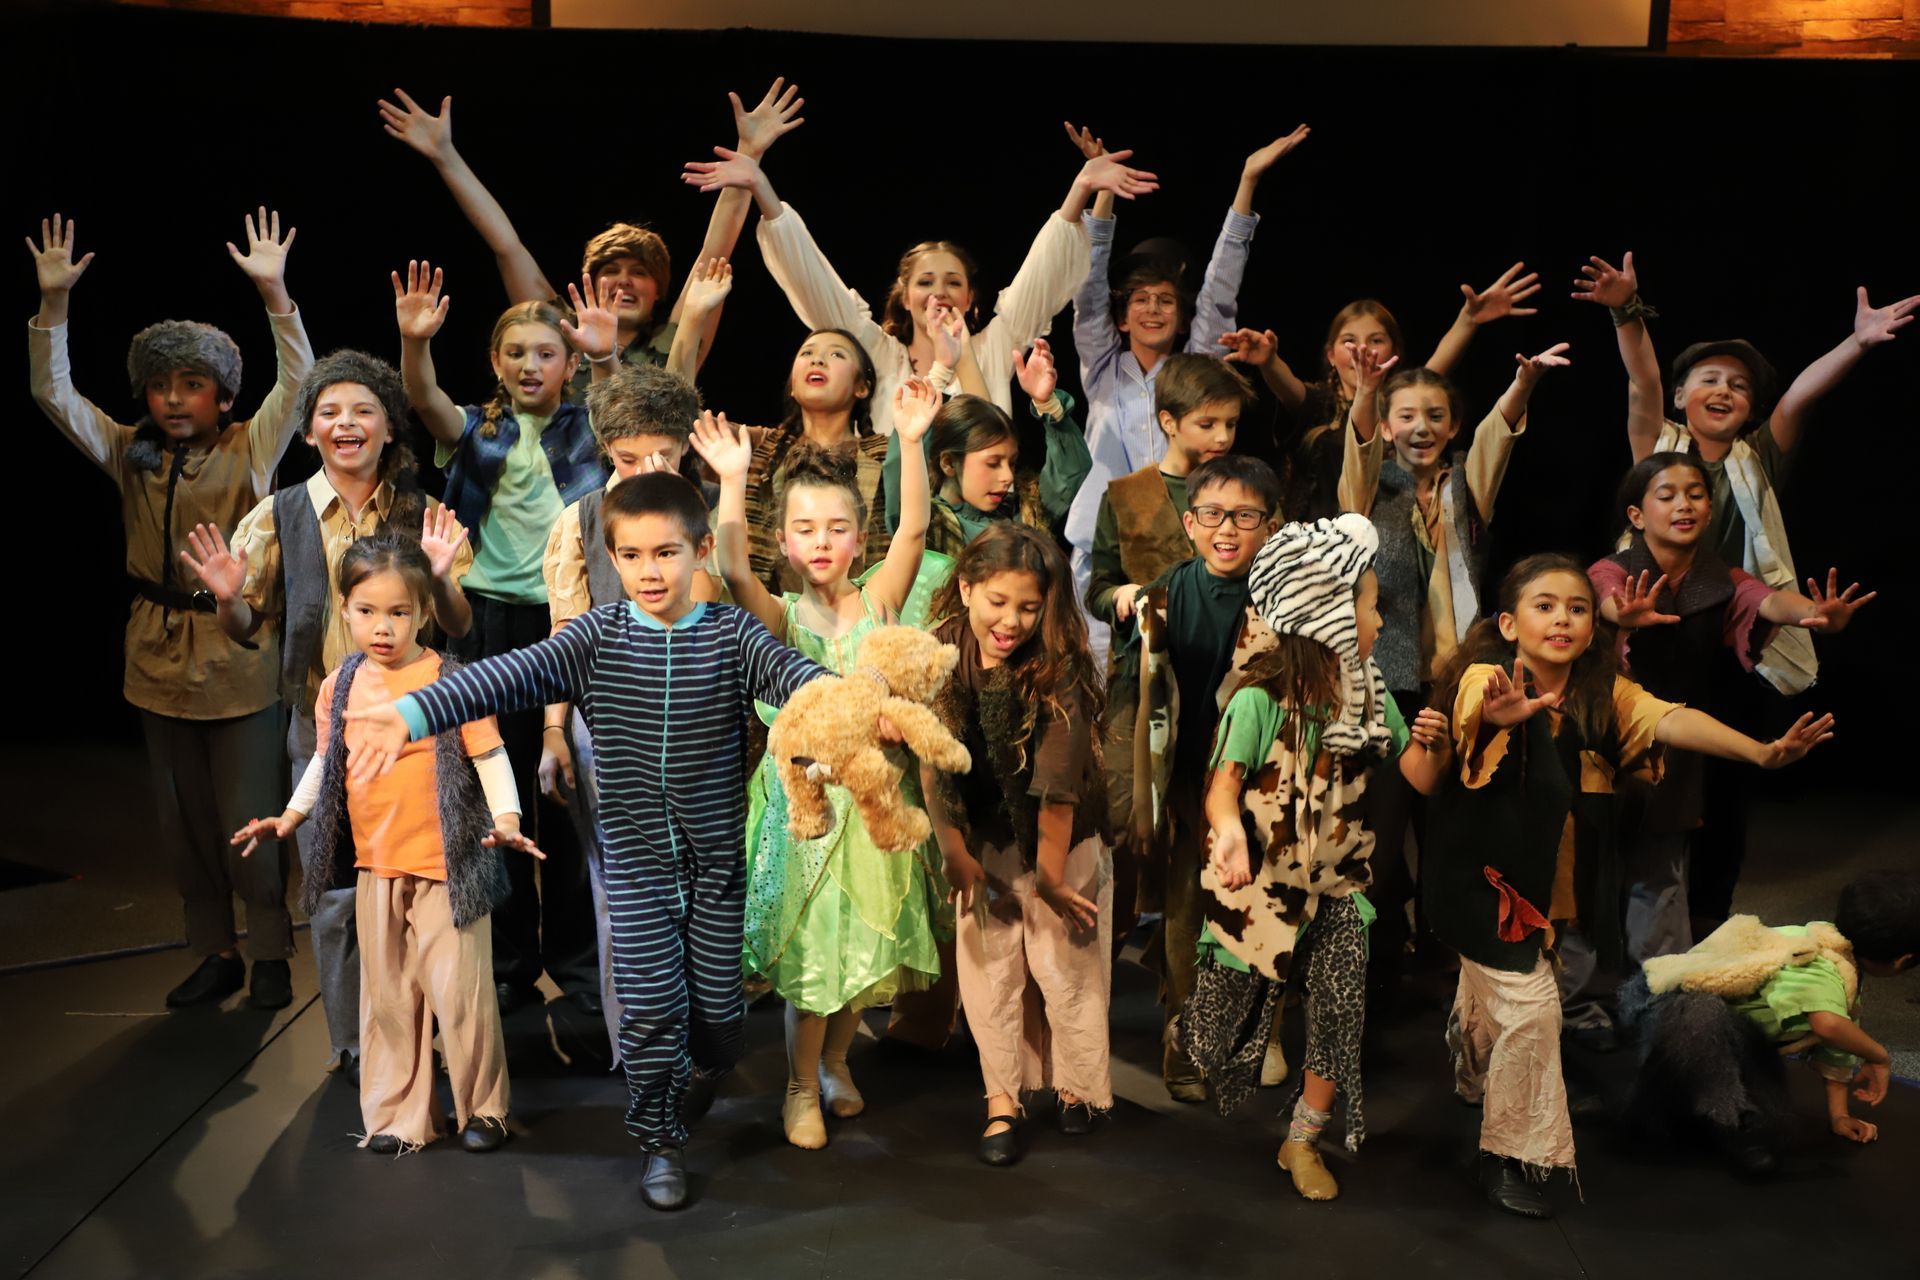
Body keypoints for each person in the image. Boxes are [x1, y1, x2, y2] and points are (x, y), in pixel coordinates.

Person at [342, 471, 865, 1211]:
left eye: (666, 553)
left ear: (701, 550)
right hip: (638, 871)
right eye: (632, 555)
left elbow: (801, 682)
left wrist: (858, 711)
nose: (650, 571)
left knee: (719, 1023)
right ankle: (660, 1143)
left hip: (716, 870)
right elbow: (500, 678)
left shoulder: (731, 633)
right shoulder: (596, 636)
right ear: (611, 559)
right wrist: (412, 713)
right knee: (652, 1010)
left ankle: (704, 1080)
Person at [1417, 554, 1834, 1219]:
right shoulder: (1484, 677)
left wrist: (1760, 751)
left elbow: (1668, 718)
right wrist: (1499, 718)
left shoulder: (1599, 689)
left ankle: (1474, 1068)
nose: (1563, 618)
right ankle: (1511, 1154)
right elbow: (1472, 713)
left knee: (1496, 1003)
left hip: (1545, 894)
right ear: (1508, 621)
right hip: (1480, 890)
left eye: (1578, 608)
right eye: (1545, 605)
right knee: (1533, 1014)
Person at [27, 209, 311, 1011]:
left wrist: (275, 293)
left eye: (193, 384)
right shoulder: (130, 451)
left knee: (247, 813)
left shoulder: (249, 448)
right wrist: (54, 306)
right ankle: (214, 951)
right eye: (161, 384)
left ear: (223, 396)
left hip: (235, 650)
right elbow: (51, 391)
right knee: (181, 820)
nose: (175, 398)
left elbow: (299, 382)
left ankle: (270, 955)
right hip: (154, 652)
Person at [181, 349, 474, 1080]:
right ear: (309, 431)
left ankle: (422, 1035)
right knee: (337, 897)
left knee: (423, 892)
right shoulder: (280, 513)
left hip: (418, 727)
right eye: (330, 413)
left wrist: (440, 581)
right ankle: (353, 1043)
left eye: (363, 410)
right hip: (323, 731)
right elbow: (246, 626)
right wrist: (226, 597)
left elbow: (461, 625)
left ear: (388, 428)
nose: (346, 424)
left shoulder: (421, 510)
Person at [692, 378, 942, 1149]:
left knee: (865, 945)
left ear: (857, 542)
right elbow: (733, 568)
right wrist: (733, 482)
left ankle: (837, 1062)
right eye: (806, 528)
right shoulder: (781, 616)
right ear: (789, 542)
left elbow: (914, 530)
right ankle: (799, 1086)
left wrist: (909, 439)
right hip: (805, 812)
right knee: (814, 951)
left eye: (838, 528)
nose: (823, 540)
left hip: (869, 809)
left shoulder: (880, 601)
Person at [232, 535, 538, 1153]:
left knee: (461, 996)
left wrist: (506, 817)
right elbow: (326, 759)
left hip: (447, 868)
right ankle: (400, 1117)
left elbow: (491, 754)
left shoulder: (452, 681)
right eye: (367, 611)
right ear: (344, 609)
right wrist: (292, 817)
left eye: (399, 612)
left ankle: (484, 1110)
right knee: (391, 1000)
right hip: (379, 865)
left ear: (423, 613)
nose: (382, 627)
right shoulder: (339, 686)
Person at [1185, 515, 1451, 1201]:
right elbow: (1222, 792)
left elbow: (1419, 777)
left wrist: (1434, 743)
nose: (1379, 625)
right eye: (1368, 607)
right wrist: (1231, 832)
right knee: (1213, 1040)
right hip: (1260, 892)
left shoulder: (1370, 696)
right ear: (1326, 615)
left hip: (1338, 886)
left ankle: (1302, 1141)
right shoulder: (1257, 701)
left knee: (1338, 1010)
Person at [395, 261, 609, 1016]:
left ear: (570, 362)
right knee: (499, 795)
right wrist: (414, 341)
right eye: (515, 352)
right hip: (486, 626)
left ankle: (581, 969)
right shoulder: (477, 433)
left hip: (569, 626)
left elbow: (638, 402)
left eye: (546, 353)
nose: (529, 364)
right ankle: (513, 961)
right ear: (495, 362)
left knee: (569, 793)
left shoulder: (593, 428)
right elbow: (421, 397)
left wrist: (607, 354)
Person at [1060, 121, 1308, 666]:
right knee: (1104, 681)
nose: (1153, 308)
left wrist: (1246, 183)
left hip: (1183, 539)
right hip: (1104, 545)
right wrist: (1103, 190)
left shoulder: (1194, 373)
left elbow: (1221, 288)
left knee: (1186, 681)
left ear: (1180, 316)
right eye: (1142, 300)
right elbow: (1089, 288)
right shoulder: (1103, 367)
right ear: (1122, 317)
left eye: (1166, 301)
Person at [377, 78, 806, 384]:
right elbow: (507, 246)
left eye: (638, 272)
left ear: (660, 290)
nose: (623, 280)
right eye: (611, 269)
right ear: (587, 282)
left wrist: (750, 156)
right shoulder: (559, 334)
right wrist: (445, 156)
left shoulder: (678, 341)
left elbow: (717, 251)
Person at [921, 524, 1112, 1166]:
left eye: (1029, 607)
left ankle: (1078, 1089)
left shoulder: (1058, 663)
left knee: (1067, 967)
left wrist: (1054, 879)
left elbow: (1059, 781)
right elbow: (932, 757)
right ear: (968, 588)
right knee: (989, 968)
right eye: (998, 602)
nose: (1012, 621)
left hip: (1062, 837)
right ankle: (1001, 1100)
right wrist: (954, 850)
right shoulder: (941, 652)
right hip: (986, 836)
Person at [1119, 454, 1283, 1102]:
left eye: (1245, 516)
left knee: (1261, 908)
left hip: (1265, 785)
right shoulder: (1169, 591)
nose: (1227, 529)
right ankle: (1183, 1043)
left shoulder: (1282, 594)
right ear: (1189, 523)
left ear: (1269, 526)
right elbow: (1140, 698)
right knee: (1189, 910)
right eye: (1213, 514)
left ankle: (1251, 1033)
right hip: (1192, 780)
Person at [1619, 870, 1918, 1175]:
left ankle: (1726, 1121)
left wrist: (1839, 1116)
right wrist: (1879, 1055)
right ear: (1902, 961)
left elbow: (1837, 1042)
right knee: (1704, 1020)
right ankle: (1726, 1125)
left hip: (1739, 1042)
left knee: (1775, 1121)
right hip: (1673, 1016)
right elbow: (1827, 1025)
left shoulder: (1835, 956)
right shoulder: (1815, 962)